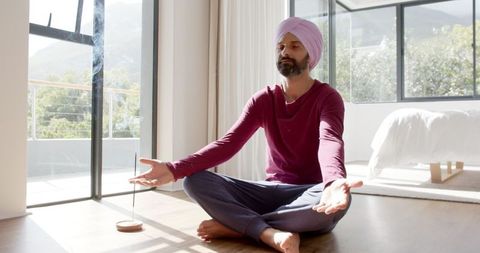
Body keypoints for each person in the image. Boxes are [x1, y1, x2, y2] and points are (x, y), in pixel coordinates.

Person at [129, 16, 363, 253]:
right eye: (281, 46)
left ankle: (238, 226)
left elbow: (329, 139)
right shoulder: (263, 99)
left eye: (294, 46)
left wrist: (334, 182)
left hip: (310, 190)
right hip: (269, 191)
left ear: (310, 54)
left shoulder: (327, 97)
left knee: (335, 203)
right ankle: (267, 231)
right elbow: (228, 144)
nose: (285, 52)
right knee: (194, 180)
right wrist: (174, 169)